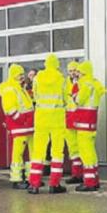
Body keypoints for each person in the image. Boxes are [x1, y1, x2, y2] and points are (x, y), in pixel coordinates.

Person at [27, 54, 69, 194]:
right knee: (57, 152)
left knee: (38, 152)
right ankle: (54, 184)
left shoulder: (38, 78)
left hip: (41, 119)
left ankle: (34, 184)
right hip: (57, 119)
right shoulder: (61, 79)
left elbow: (36, 95)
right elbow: (65, 98)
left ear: (45, 64)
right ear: (56, 64)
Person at [70, 61, 106, 192]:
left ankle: (89, 182)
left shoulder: (85, 85)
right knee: (91, 153)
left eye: (79, 72)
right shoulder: (95, 84)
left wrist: (74, 91)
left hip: (83, 124)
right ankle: (94, 180)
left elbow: (78, 100)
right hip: (91, 124)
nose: (77, 74)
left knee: (85, 154)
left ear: (83, 72)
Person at [0, 64, 35, 189]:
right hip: (20, 126)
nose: (22, 77)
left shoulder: (20, 88)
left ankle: (32, 178)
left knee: (32, 152)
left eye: (22, 74)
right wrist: (21, 120)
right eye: (19, 74)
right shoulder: (10, 89)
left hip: (28, 126)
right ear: (13, 75)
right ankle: (17, 179)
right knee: (17, 153)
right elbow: (10, 109)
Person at [62, 61, 83, 185]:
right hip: (68, 118)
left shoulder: (83, 82)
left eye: (74, 70)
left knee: (83, 148)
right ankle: (76, 174)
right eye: (70, 71)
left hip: (80, 118)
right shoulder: (65, 83)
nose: (72, 73)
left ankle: (83, 174)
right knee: (73, 148)